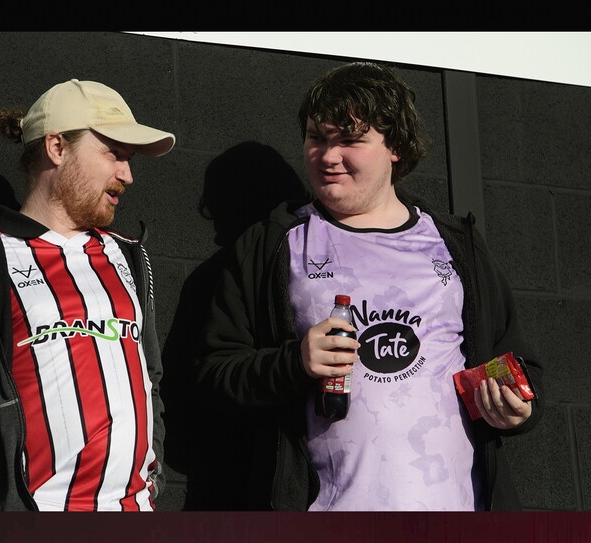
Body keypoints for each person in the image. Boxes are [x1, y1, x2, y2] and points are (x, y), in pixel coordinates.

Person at [194, 61, 543, 511]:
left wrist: (517, 410)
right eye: (317, 138)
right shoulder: (273, 245)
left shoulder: (457, 246)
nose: (328, 156)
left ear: (395, 146)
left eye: (350, 140)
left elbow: (518, 365)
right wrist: (293, 363)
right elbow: (212, 377)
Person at [0, 79, 175, 511]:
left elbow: (153, 382)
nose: (127, 174)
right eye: (115, 153)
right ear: (57, 147)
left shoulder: (128, 257)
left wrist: (153, 479)